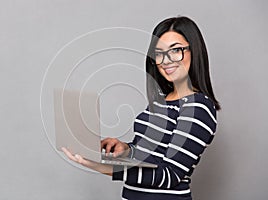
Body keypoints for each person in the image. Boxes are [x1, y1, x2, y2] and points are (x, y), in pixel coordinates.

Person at [62, 16, 221, 200]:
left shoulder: (198, 107)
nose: (166, 60)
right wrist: (126, 150)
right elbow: (151, 155)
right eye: (159, 53)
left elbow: (168, 175)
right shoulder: (162, 100)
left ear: (194, 51)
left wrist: (101, 166)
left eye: (176, 50)